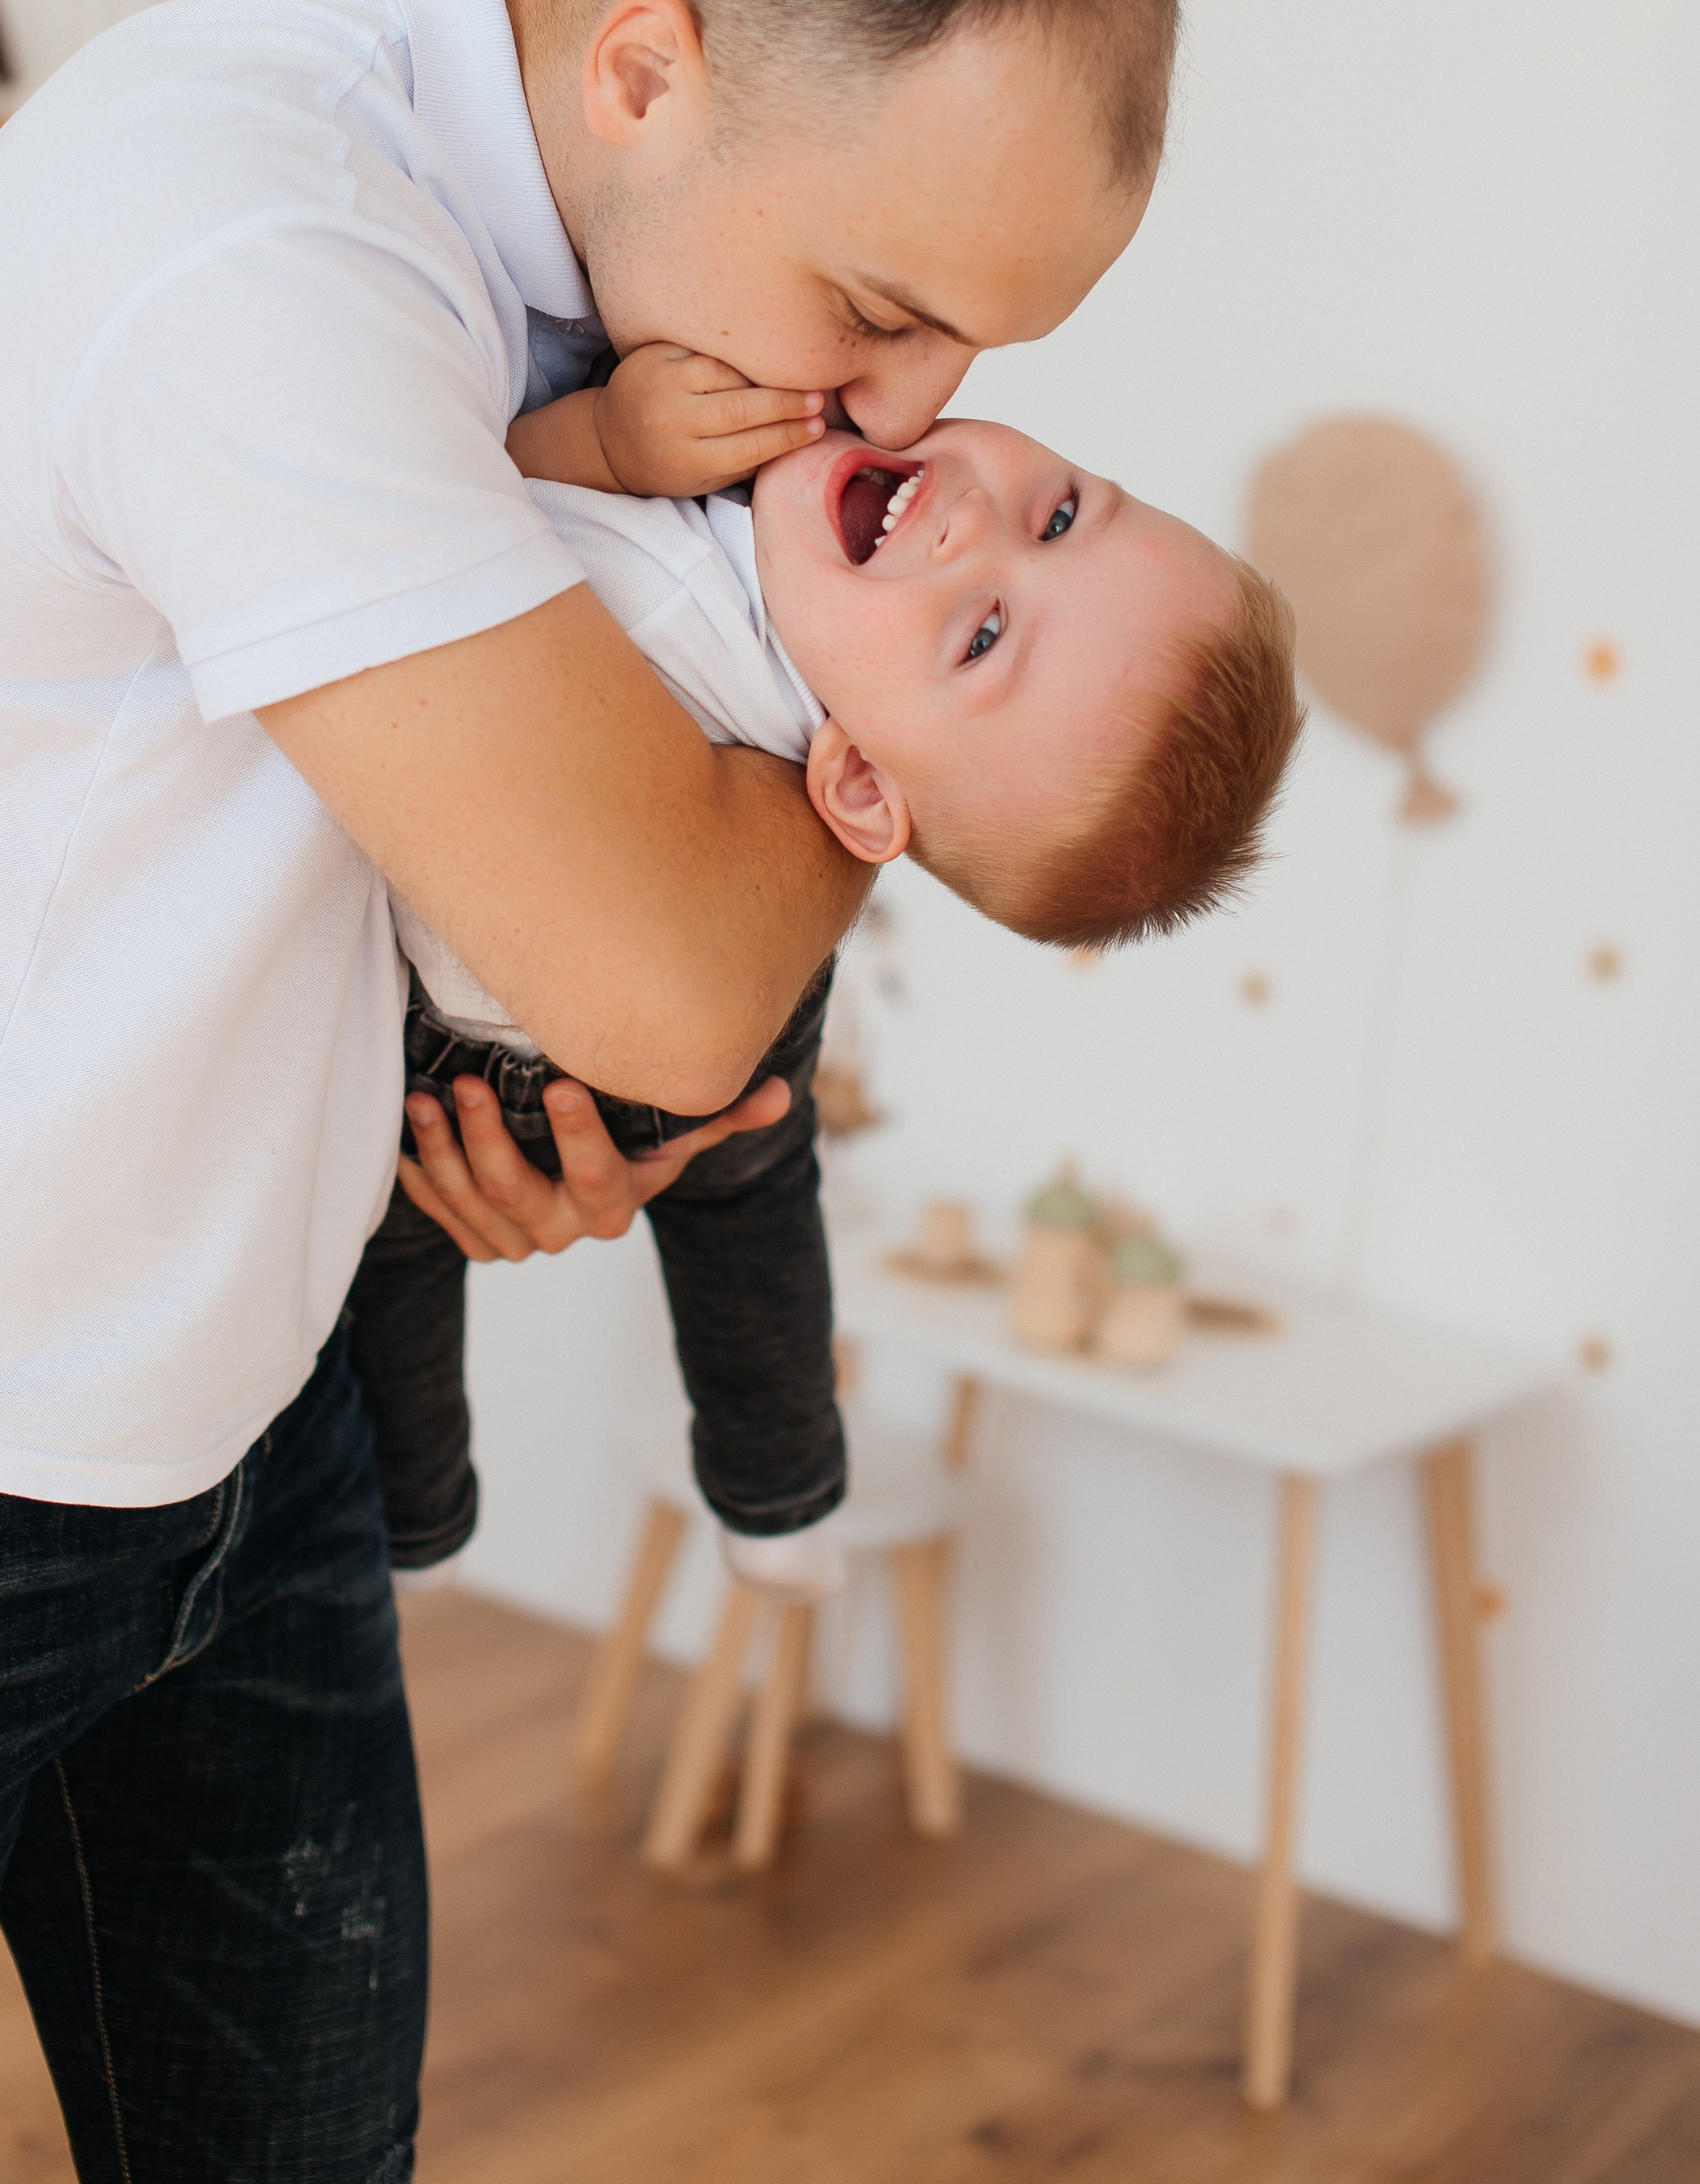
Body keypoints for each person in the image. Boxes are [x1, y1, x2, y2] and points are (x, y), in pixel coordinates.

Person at [0, 0, 1186, 2182]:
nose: (897, 413)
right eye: (882, 303)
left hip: (236, 1423)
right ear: (640, 64)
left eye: (976, 355)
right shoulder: (260, 251)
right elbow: (676, 978)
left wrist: (507, 1111)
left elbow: (482, 918)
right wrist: (889, 781)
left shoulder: (650, 254)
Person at [354, 367, 1301, 1593]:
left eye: (982, 636)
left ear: (858, 787)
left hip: (498, 1042)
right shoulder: (819, 551)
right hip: (757, 1000)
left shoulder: (656, 595)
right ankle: (779, 1494)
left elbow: (469, 505)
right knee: (751, 1215)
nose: (973, 524)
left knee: (393, 1243)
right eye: (1060, 515)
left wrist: (602, 437)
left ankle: (407, 1520)